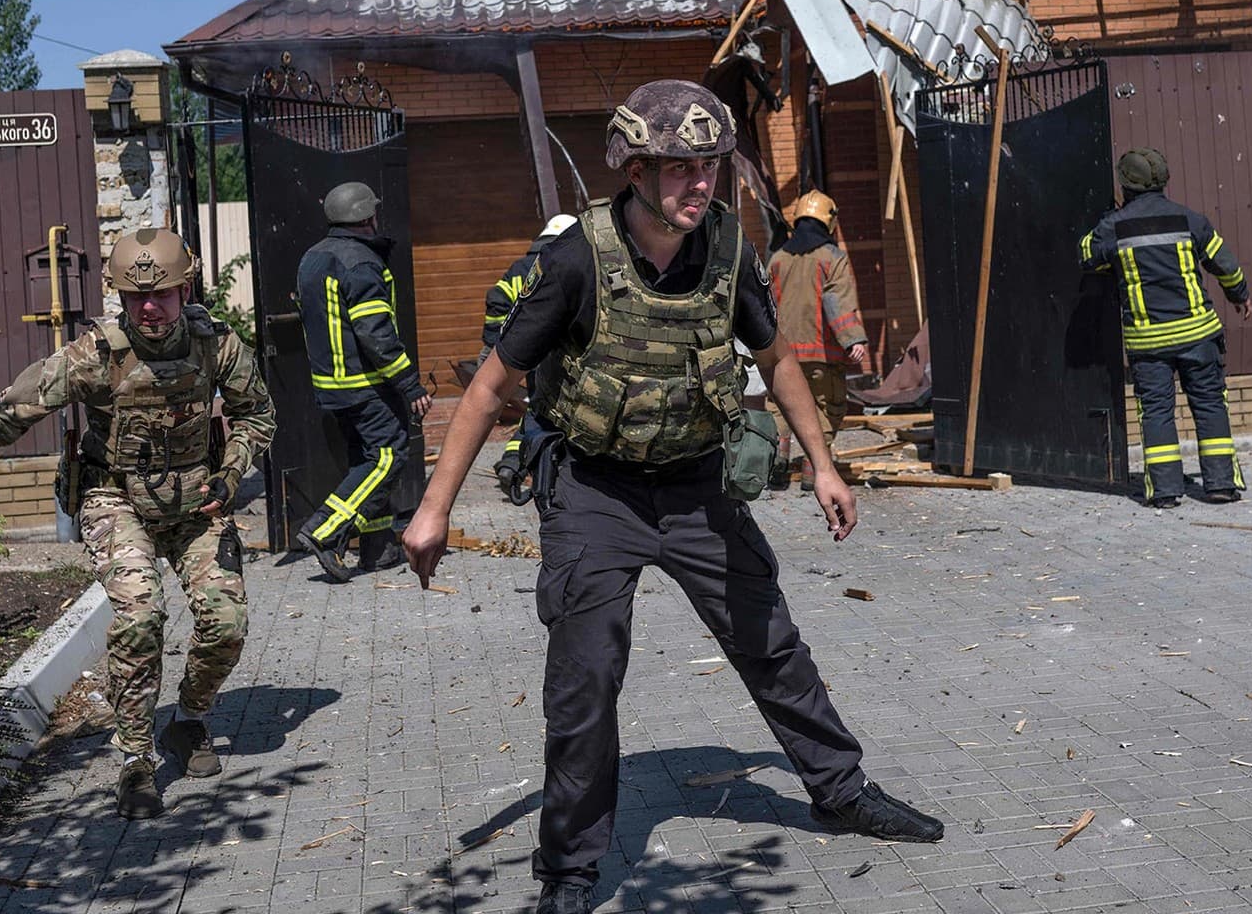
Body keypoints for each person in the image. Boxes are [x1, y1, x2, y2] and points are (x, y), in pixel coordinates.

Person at [401, 80, 944, 914]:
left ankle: (841, 791)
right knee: (584, 684)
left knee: (772, 644)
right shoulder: (576, 258)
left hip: (697, 488)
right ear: (637, 170)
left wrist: (826, 466)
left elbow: (780, 363)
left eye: (711, 166)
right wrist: (435, 509)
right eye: (680, 167)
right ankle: (572, 873)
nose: (700, 183)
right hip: (594, 493)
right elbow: (488, 388)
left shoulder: (729, 250)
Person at [0, 228, 275, 819]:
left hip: (197, 502)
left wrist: (231, 474)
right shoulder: (95, 356)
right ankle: (136, 760)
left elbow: (257, 414)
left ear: (184, 286)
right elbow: (5, 414)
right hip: (116, 500)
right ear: (119, 296)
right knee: (140, 616)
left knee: (227, 621)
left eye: (161, 293)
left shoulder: (218, 346)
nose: (151, 308)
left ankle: (187, 720)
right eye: (136, 298)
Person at [1080, 147, 1252, 509]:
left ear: (1125, 184)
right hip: (1198, 335)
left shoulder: (1113, 228)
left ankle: (1165, 491)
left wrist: (1106, 222)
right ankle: (1220, 485)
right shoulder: (1189, 219)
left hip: (1149, 342)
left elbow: (1086, 256)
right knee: (1208, 404)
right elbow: (1225, 264)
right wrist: (1240, 295)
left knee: (1156, 411)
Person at [294, 182, 433, 582]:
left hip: (332, 386)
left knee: (364, 461)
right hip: (366, 385)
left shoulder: (312, 258)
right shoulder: (361, 262)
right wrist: (410, 385)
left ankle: (378, 548)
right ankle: (323, 531)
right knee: (388, 456)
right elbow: (376, 333)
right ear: (368, 218)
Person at [767, 190, 870, 487]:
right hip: (822, 355)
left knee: (780, 406)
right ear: (829, 221)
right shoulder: (832, 258)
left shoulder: (777, 260)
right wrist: (853, 339)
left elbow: (766, 306)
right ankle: (814, 469)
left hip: (782, 355)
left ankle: (778, 459)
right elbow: (835, 299)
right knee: (828, 408)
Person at [483, 213, 577, 498]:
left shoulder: (520, 267)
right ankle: (525, 464)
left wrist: (496, 344)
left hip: (522, 353)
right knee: (543, 410)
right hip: (552, 357)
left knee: (536, 408)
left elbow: (497, 298)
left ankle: (512, 460)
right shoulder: (565, 263)